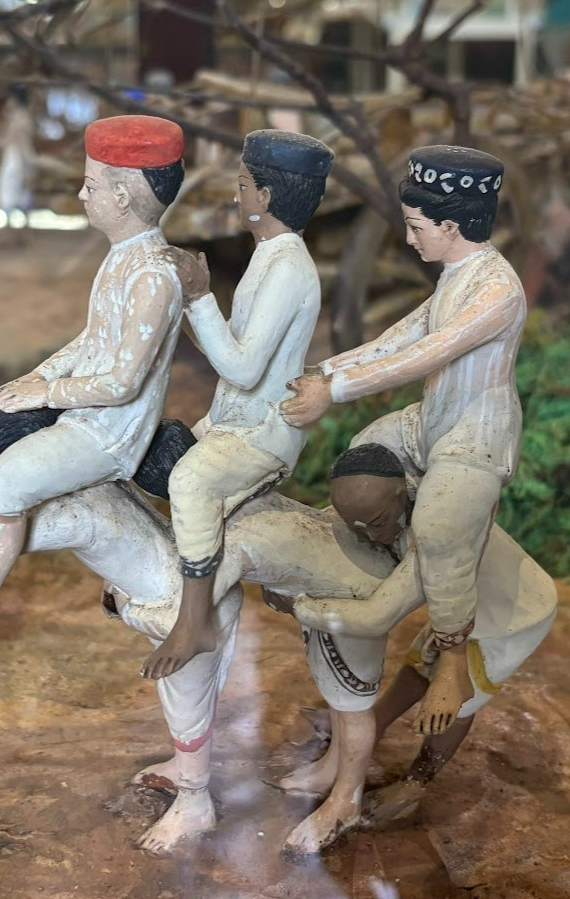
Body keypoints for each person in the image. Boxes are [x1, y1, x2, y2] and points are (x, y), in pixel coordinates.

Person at [0, 414, 407, 855]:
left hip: (187, 609)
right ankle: (205, 775)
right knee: (198, 706)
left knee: (192, 712)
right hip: (199, 592)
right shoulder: (95, 475)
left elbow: (192, 614)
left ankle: (197, 803)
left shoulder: (81, 510)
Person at [0, 115, 187, 661]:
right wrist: (38, 376)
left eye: (91, 185)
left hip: (109, 434)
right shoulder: (123, 257)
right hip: (84, 412)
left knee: (10, 481)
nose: (82, 195)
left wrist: (47, 395)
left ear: (123, 196)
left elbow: (122, 383)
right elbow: (91, 340)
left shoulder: (152, 275)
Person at [282, 145, 527, 739]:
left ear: (451, 226)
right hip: (432, 419)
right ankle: (363, 554)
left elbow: (427, 354)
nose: (410, 239)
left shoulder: (498, 290)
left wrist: (334, 390)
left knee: (440, 525)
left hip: (475, 434)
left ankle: (451, 660)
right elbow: (400, 336)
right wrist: (324, 370)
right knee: (362, 459)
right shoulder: (455, 276)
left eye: (417, 227)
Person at [266, 443, 557, 855]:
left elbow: (376, 617)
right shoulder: (395, 505)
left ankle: (416, 782)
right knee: (422, 661)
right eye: (357, 526)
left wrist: (300, 605)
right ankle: (376, 726)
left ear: (400, 496)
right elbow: (352, 518)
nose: (369, 535)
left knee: (454, 698)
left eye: (376, 523)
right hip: (463, 606)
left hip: (510, 614)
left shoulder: (433, 538)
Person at [141, 129, 334, 681]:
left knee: (189, 481)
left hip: (261, 432)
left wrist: (200, 297)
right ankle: (178, 571)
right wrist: (185, 305)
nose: (236, 195)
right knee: (152, 455)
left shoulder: (288, 267)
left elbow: (243, 369)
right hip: (232, 420)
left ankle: (194, 621)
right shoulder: (269, 256)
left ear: (267, 196)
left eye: (244, 185)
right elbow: (230, 350)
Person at [0, 84, 35, 246]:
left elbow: (20, 143)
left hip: (16, 161)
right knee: (16, 197)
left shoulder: (20, 119)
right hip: (16, 159)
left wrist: (25, 166)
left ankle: (14, 236)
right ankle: (15, 235)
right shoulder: (16, 117)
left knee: (12, 198)